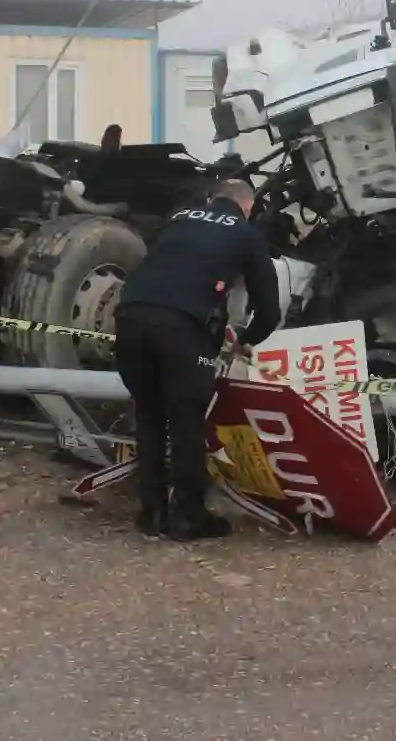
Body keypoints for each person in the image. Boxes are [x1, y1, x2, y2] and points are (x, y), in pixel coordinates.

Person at [115, 179, 280, 540]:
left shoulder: (176, 220)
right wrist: (247, 340)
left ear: (210, 199)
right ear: (248, 207)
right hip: (180, 327)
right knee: (186, 420)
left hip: (129, 318)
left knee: (149, 413)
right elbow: (270, 310)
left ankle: (152, 512)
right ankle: (188, 517)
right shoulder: (245, 233)